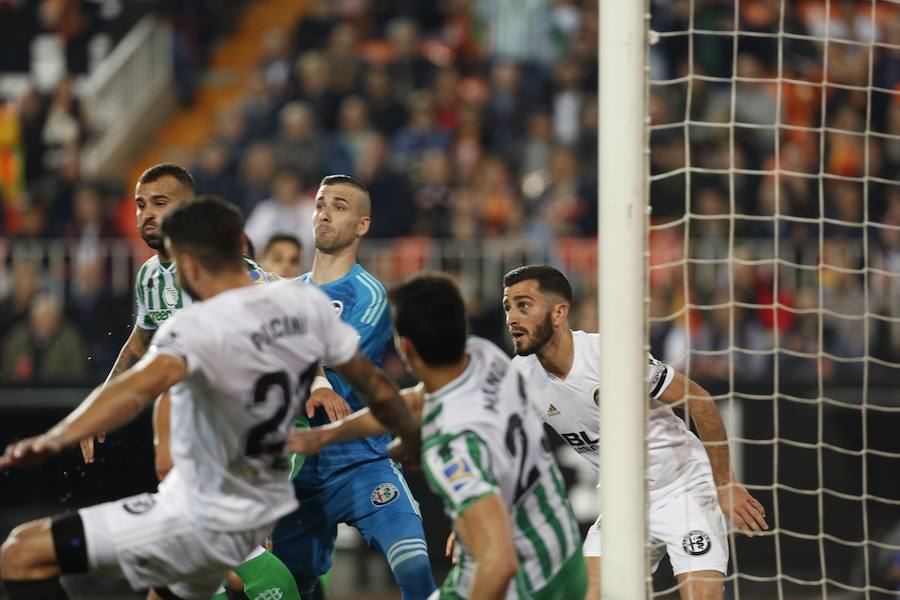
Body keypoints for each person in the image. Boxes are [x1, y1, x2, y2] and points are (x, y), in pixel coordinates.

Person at [0, 197, 419, 600]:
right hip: (250, 495)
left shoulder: (195, 326)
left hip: (192, 512)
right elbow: (377, 387)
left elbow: (137, 389)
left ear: (191, 263)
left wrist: (55, 437)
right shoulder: (304, 307)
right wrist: (411, 439)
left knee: (20, 553)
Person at [77, 163, 306, 600]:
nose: (146, 213)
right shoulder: (149, 276)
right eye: (141, 204)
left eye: (160, 203)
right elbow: (138, 344)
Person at [286, 273, 588, 599]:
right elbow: (416, 401)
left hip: (525, 584)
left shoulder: (450, 450)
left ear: (405, 348)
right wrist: (323, 437)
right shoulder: (486, 358)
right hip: (565, 555)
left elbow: (498, 564)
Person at [501, 265, 769, 600]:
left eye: (523, 305)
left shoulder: (609, 356)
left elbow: (700, 402)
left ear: (558, 313)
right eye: (508, 307)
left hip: (683, 489)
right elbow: (508, 450)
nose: (512, 317)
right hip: (623, 503)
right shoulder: (520, 377)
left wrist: (724, 483)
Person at [271, 175, 436, 600]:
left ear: (362, 225)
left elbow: (328, 353)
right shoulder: (287, 295)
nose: (325, 211)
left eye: (339, 206)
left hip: (362, 463)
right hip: (299, 471)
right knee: (292, 588)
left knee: (416, 567)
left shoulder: (369, 294)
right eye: (321, 203)